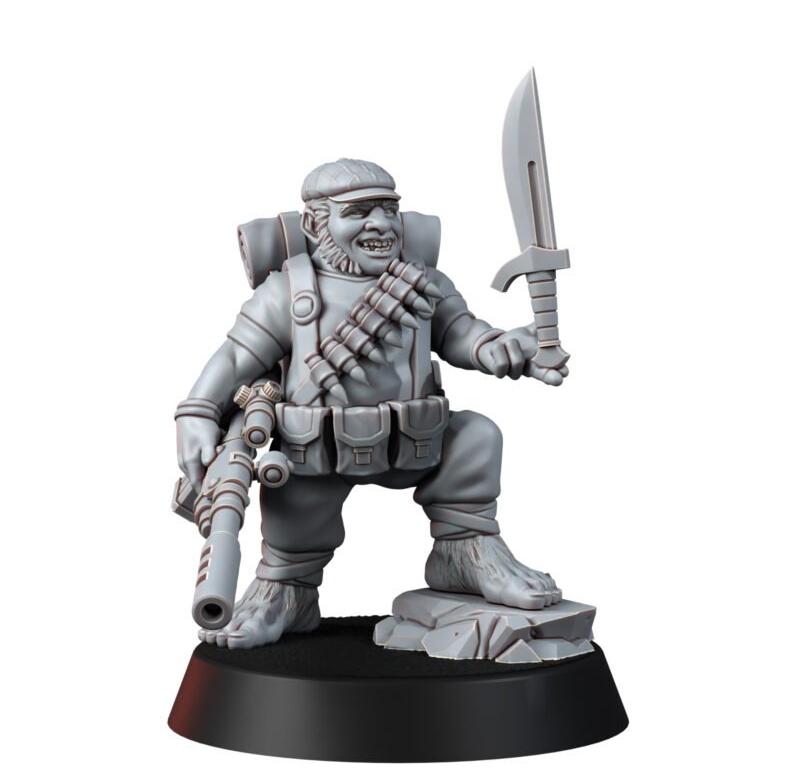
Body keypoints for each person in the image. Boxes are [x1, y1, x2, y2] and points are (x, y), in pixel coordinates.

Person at [176, 158, 568, 648]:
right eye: (359, 212)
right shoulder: (290, 291)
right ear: (316, 225)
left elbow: (460, 332)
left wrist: (501, 348)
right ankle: (285, 593)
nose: (380, 224)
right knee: (294, 507)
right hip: (317, 451)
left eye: (388, 210)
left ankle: (467, 554)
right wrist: (198, 411)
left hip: (418, 441)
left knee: (475, 438)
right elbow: (236, 357)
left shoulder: (421, 280)